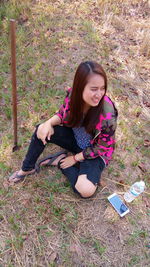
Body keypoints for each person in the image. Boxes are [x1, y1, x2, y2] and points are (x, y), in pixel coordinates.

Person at [8, 61, 118, 198]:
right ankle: (27, 169)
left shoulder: (108, 114)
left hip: (94, 152)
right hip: (75, 139)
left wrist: (75, 159)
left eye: (103, 88)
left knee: (85, 190)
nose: (99, 94)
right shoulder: (73, 96)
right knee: (41, 130)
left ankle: (60, 161)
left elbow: (102, 147)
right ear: (80, 87)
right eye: (94, 89)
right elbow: (62, 115)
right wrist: (48, 123)